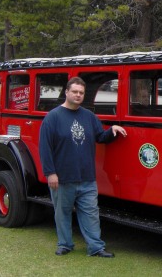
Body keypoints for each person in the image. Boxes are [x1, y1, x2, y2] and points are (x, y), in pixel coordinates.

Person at [39, 77, 127, 258]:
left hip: (87, 178)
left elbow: (100, 137)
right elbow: (45, 147)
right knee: (62, 213)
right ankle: (65, 244)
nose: (78, 95)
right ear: (67, 92)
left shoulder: (89, 116)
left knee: (91, 214)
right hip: (62, 178)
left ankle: (96, 247)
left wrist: (112, 131)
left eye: (81, 93)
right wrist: (50, 173)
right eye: (75, 92)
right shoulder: (52, 117)